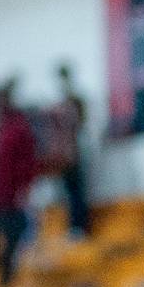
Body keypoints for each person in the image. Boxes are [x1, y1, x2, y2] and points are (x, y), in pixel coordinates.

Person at [0, 79, 37, 285]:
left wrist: (24, 190)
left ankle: (9, 282)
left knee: (13, 241)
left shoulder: (17, 129)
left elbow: (27, 163)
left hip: (11, 198)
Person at [53, 62, 90, 236]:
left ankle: (80, 227)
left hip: (73, 155)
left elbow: (81, 124)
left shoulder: (74, 102)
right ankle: (74, 226)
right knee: (69, 193)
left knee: (77, 193)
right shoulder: (61, 104)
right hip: (64, 157)